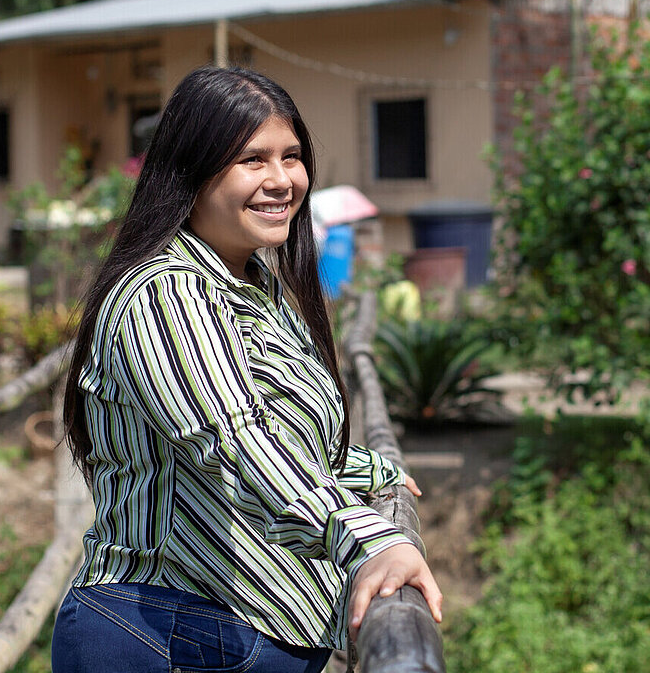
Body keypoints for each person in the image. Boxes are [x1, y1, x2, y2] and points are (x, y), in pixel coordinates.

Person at [51, 66, 442, 673]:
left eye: (292, 156)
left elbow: (286, 429)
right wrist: (366, 538)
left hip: (227, 637)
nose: (283, 180)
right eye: (252, 161)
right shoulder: (165, 294)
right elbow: (234, 440)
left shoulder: (257, 284)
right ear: (191, 170)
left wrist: (368, 471)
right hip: (166, 632)